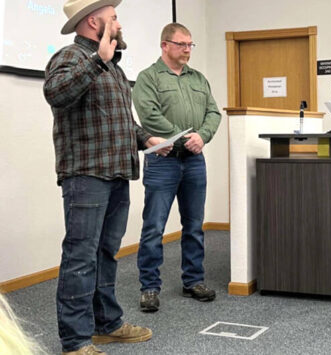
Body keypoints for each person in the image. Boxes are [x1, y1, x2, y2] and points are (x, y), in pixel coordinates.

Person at [44, 1, 171, 353]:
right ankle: (76, 340)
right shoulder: (71, 57)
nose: (118, 23)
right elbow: (56, 93)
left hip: (116, 171)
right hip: (86, 173)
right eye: (113, 18)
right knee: (81, 256)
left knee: (105, 253)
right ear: (92, 22)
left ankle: (106, 324)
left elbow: (119, 121)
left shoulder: (112, 68)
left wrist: (147, 139)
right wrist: (97, 60)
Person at [132, 23, 221, 312]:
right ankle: (149, 287)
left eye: (190, 45)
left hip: (194, 161)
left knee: (194, 225)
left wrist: (203, 136)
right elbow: (149, 115)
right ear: (165, 45)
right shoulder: (149, 78)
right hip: (162, 162)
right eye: (182, 44)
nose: (187, 50)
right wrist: (184, 137)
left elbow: (213, 112)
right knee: (154, 227)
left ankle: (193, 281)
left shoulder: (199, 79)